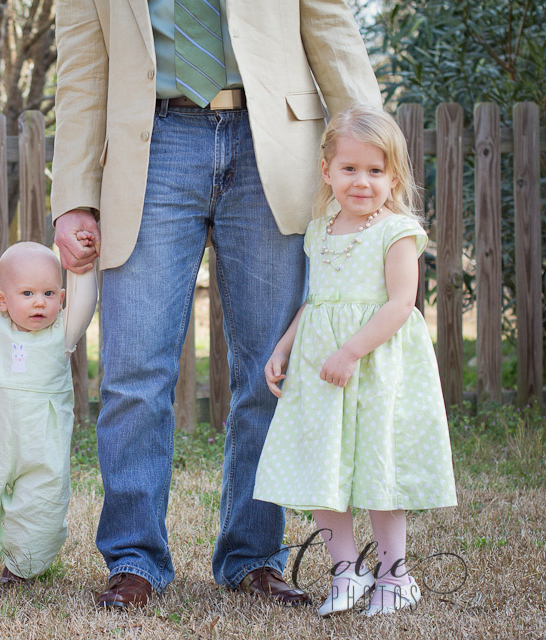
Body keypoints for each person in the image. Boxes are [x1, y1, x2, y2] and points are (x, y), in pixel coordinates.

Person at [51, 0, 382, 608]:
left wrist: (375, 151)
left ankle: (253, 556)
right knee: (134, 372)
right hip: (151, 144)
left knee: (270, 372)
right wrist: (73, 194)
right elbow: (79, 68)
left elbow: (333, 33)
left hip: (273, 145)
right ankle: (133, 558)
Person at [254, 105, 457, 617]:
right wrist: (284, 346)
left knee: (377, 470)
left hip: (374, 368)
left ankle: (395, 577)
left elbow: (399, 303)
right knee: (325, 467)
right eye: (349, 169)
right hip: (322, 371)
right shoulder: (320, 230)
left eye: (375, 170)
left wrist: (350, 351)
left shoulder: (397, 231)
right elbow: (316, 302)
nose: (361, 182)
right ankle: (346, 571)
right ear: (327, 172)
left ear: (394, 176)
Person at [0, 233, 98, 590]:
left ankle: (21, 569)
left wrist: (82, 265)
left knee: (42, 503)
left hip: (40, 440)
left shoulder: (63, 333)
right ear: (1, 299)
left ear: (61, 298)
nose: (38, 303)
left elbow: (86, 301)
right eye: (26, 294)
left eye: (48, 293)